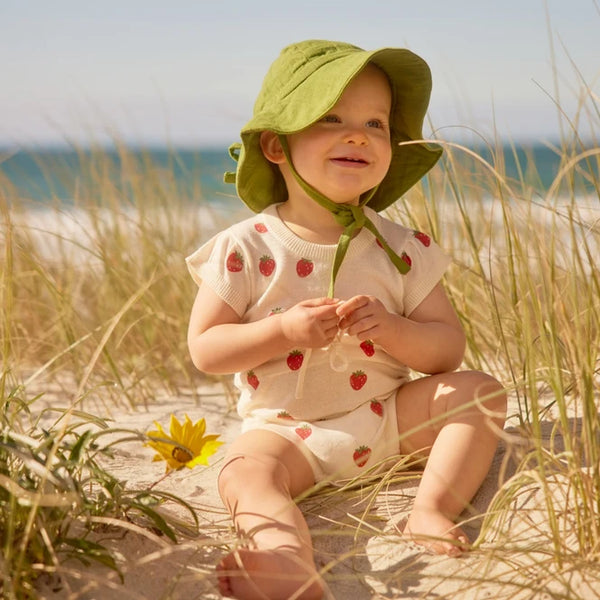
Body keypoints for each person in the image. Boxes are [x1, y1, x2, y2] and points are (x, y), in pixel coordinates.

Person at [186, 39, 507, 600]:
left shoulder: (401, 246)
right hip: (286, 433)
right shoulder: (248, 247)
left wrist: (395, 330)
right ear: (276, 146)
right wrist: (281, 331)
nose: (357, 133)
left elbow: (446, 351)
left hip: (386, 420)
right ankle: (287, 561)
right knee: (244, 473)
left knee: (480, 392)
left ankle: (430, 509)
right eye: (330, 117)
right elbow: (207, 349)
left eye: (376, 123)